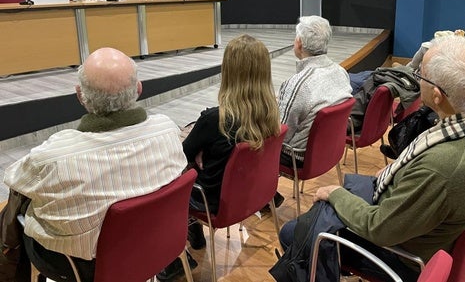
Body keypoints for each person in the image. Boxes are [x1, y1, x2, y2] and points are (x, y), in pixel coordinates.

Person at [279, 35, 465, 282]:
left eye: (420, 76)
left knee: (294, 233)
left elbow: (378, 229)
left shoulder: (442, 167)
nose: (416, 79)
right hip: (422, 229)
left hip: (404, 256)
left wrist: (335, 194)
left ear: (437, 95)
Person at [2, 47, 188, 282]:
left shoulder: (53, 156)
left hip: (82, 266)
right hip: (157, 244)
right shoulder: (168, 129)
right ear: (139, 89)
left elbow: (14, 179)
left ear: (80, 95)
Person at [157, 34, 281, 280]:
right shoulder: (271, 113)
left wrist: (199, 147)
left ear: (229, 72)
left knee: (166, 178)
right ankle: (193, 232)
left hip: (211, 201)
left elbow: (181, 156)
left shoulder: (216, 120)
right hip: (251, 194)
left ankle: (172, 259)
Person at [278, 15, 352, 168]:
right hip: (330, 149)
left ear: (299, 43)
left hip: (297, 156)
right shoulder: (341, 72)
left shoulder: (298, 84)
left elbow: (281, 134)